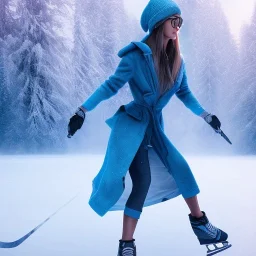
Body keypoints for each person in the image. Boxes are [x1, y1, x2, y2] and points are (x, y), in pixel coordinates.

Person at [68, 0, 231, 255]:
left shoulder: (177, 62)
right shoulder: (135, 57)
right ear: (159, 23)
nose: (178, 27)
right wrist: (82, 111)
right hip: (134, 125)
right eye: (174, 21)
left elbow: (185, 93)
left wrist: (207, 116)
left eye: (181, 22)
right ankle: (126, 246)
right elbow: (110, 86)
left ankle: (200, 226)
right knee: (141, 183)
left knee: (182, 169)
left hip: (155, 126)